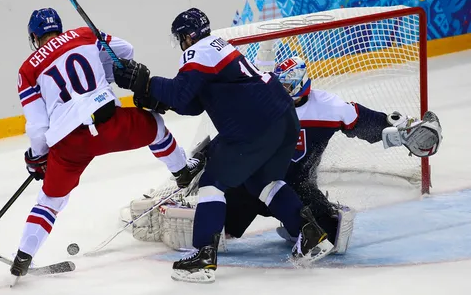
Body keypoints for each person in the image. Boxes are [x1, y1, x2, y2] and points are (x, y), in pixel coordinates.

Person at [128, 56, 443, 258]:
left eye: (292, 86)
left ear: (305, 83)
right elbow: (234, 138)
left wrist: (400, 132)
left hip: (299, 189)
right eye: (283, 85)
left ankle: (295, 226)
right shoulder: (263, 102)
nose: (287, 91)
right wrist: (206, 158)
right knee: (215, 234)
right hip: (250, 188)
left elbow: (364, 122)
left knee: (331, 235)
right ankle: (179, 211)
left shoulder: (329, 107)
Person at [113, 8, 333, 283]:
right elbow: (192, 104)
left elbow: (180, 94)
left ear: (186, 37)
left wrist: (143, 81)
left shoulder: (198, 51)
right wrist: (150, 95)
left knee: (211, 184)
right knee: (262, 181)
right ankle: (311, 235)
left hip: (256, 125)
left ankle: (203, 257)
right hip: (285, 119)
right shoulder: (220, 47)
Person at [10, 8, 204, 280]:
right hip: (107, 124)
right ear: (60, 27)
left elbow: (38, 126)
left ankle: (23, 257)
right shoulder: (83, 34)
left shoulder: (27, 69)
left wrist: (38, 157)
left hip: (68, 144)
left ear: (34, 36)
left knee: (50, 201)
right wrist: (105, 71)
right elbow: (126, 50)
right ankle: (183, 172)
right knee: (156, 126)